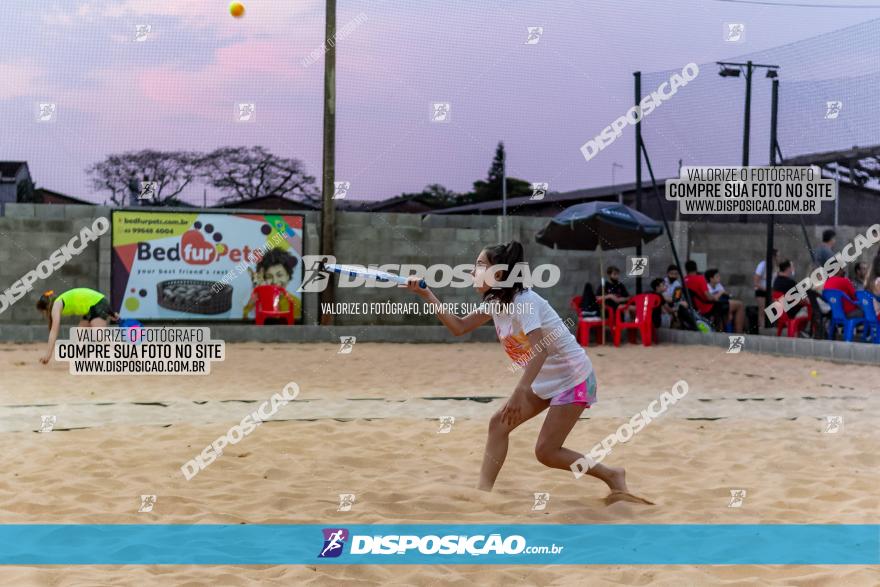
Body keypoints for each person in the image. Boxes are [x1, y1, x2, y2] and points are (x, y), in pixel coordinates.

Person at [405, 241, 638, 498]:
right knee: (498, 425)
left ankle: (612, 474)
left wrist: (520, 391)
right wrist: (426, 295)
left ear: (500, 274)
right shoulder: (496, 301)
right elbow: (459, 327)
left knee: (546, 452)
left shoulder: (524, 301)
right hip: (544, 377)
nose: (472, 271)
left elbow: (541, 349)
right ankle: (484, 492)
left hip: (574, 378)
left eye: (480, 265)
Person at [36, 288, 119, 364]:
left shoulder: (56, 306)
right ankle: (82, 361)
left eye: (42, 312)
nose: (44, 315)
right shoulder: (59, 301)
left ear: (46, 308)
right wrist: (111, 312)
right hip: (94, 306)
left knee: (100, 337)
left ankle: (128, 353)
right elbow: (89, 297)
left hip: (96, 304)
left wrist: (48, 354)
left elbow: (54, 332)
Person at [754, 249, 778, 328]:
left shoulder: (775, 267)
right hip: (761, 291)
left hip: (770, 291)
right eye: (777, 256)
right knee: (762, 310)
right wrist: (766, 290)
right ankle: (762, 328)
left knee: (772, 310)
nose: (778, 257)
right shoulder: (762, 265)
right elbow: (756, 282)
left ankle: (770, 327)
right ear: (773, 256)